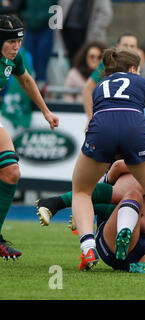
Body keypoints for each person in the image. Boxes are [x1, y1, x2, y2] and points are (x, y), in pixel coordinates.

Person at [71, 48, 145, 272]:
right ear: (134, 69)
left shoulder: (99, 88)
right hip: (134, 131)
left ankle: (88, 246)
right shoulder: (143, 83)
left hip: (101, 132)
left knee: (81, 191)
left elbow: (107, 121)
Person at [0, 15, 59, 260]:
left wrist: (45, 110)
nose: (16, 46)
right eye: (10, 41)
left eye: (19, 41)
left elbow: (25, 79)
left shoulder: (14, 58)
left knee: (11, 172)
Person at [82, 32, 139, 122]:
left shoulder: (139, 64)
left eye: (132, 46)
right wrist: (90, 118)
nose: (128, 49)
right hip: (108, 117)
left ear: (137, 49)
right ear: (117, 46)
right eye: (125, 45)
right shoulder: (108, 64)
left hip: (131, 119)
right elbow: (87, 89)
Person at [58, 0, 113, 65]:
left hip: (88, 34)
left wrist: (95, 29)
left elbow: (105, 13)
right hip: (67, 32)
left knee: (87, 58)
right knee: (70, 59)